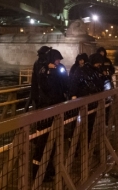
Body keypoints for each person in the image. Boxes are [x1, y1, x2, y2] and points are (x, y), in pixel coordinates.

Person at [32, 49, 68, 182]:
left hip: (56, 108)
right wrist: (49, 71)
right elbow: (43, 86)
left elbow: (65, 85)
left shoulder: (60, 69)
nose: (59, 62)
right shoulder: (43, 70)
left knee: (52, 141)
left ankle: (49, 168)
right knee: (42, 142)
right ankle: (37, 172)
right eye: (57, 60)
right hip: (46, 110)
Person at [26, 46, 51, 112]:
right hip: (42, 94)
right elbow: (40, 78)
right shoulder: (43, 64)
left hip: (38, 93)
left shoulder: (38, 63)